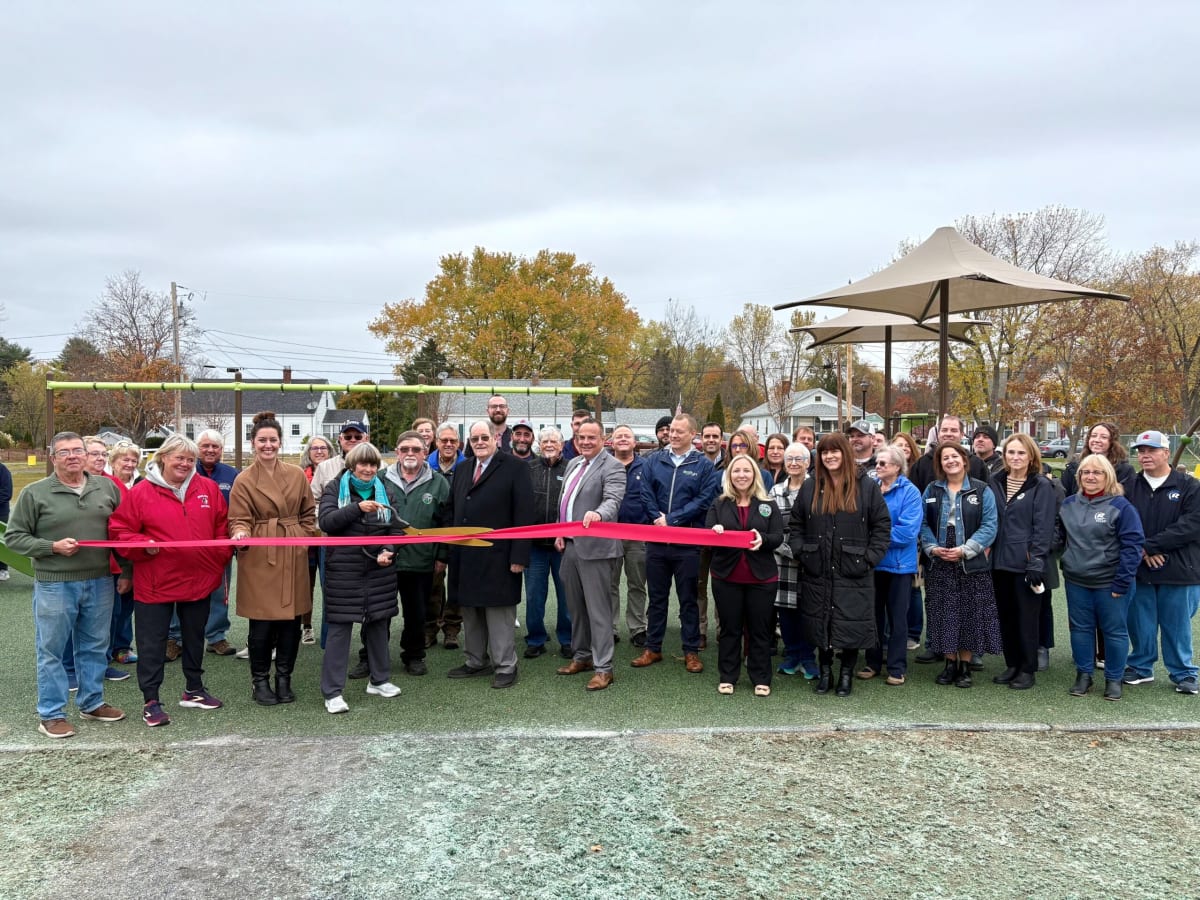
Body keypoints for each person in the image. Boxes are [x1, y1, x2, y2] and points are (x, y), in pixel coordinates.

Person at [6, 432, 126, 738]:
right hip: (55, 584)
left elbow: (123, 531)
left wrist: (126, 571)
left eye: (77, 450)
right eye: (64, 452)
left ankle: (92, 702)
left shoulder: (107, 487)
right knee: (52, 649)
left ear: (86, 455)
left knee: (95, 645)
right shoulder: (35, 493)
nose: (72, 456)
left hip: (99, 580)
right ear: (53, 458)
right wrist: (51, 547)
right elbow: (14, 537)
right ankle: (52, 713)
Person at [108, 435, 232, 727]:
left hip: (198, 579)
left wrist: (216, 560)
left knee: (194, 637)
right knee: (152, 644)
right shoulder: (141, 492)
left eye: (190, 459)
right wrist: (142, 544)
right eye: (179, 457)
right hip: (155, 582)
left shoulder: (209, 489)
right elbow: (120, 530)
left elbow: (222, 528)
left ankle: (194, 689)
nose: (185, 464)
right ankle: (150, 700)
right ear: (163, 457)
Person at [789, 432, 890, 697]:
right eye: (824, 452)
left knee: (850, 622)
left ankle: (846, 674)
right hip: (817, 568)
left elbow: (881, 526)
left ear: (845, 453)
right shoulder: (811, 486)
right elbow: (796, 524)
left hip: (853, 569)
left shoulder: (865, 486)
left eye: (835, 451)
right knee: (821, 620)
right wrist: (802, 552)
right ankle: (825, 672)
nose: (830, 456)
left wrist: (869, 559)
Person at [229, 412, 317, 706]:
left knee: (291, 622)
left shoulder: (295, 475)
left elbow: (308, 513)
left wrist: (302, 539)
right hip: (260, 555)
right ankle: (260, 681)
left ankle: (284, 678)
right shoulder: (244, 479)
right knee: (262, 624)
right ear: (253, 443)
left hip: (292, 550)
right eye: (262, 440)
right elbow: (238, 519)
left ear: (280, 442)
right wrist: (242, 533)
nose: (268, 445)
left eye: (273, 440)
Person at [318, 441, 405, 713]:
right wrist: (358, 508)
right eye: (363, 464)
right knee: (340, 630)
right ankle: (332, 692)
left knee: (379, 625)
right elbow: (327, 522)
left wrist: (388, 551)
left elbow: (397, 529)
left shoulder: (386, 491)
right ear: (351, 465)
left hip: (378, 572)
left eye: (372, 465)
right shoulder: (335, 487)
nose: (368, 469)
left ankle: (379, 680)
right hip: (344, 572)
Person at [446, 421, 533, 689]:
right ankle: (475, 661)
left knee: (499, 613)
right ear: (469, 442)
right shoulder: (462, 468)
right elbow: (452, 508)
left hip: (500, 555)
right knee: (470, 611)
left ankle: (506, 665)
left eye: (484, 437)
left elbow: (524, 513)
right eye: (474, 439)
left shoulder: (515, 468)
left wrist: (519, 555)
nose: (480, 442)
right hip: (465, 556)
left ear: (496, 438)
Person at [633, 414, 719, 674]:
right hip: (657, 542)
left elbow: (704, 499)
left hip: (687, 543)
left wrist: (673, 519)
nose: (674, 434)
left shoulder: (703, 465)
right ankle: (653, 647)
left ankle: (691, 651)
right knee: (657, 598)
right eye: (672, 430)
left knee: (688, 599)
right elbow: (645, 492)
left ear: (693, 435)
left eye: (680, 431)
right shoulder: (653, 460)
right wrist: (658, 518)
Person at [1058, 454, 1144, 701]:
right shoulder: (1069, 504)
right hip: (1077, 580)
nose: (1091, 477)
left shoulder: (1121, 507)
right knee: (1080, 629)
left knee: (1114, 631)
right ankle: (1083, 675)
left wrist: (1122, 581)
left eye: (1097, 472)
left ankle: (1114, 678)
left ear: (1109, 477)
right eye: (1086, 472)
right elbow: (1060, 537)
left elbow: (1133, 546)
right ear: (1079, 477)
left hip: (1110, 582)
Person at [1123, 430, 1200, 695]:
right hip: (1140, 567)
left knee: (1177, 625)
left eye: (1151, 451)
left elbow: (1191, 525)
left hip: (1178, 569)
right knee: (1140, 622)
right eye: (1141, 451)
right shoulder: (1129, 486)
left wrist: (1149, 546)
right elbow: (1122, 523)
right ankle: (1141, 667)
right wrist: (1142, 550)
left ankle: (1184, 673)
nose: (1145, 456)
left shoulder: (1189, 486)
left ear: (1166, 453)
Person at [919, 442, 1001, 689]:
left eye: (954, 456)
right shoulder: (932, 489)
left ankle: (965, 666)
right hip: (939, 558)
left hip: (970, 561)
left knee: (969, 613)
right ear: (940, 463)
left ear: (964, 460)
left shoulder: (981, 490)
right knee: (944, 611)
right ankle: (949, 663)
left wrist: (965, 550)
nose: (950, 461)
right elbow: (921, 523)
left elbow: (990, 526)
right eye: (945, 458)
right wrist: (932, 548)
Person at [910, 415, 990, 666]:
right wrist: (931, 547)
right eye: (944, 429)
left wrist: (971, 548)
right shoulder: (923, 467)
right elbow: (918, 512)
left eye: (953, 430)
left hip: (969, 548)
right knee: (938, 602)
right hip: (936, 547)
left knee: (970, 606)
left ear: (961, 434)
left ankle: (969, 656)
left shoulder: (977, 467)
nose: (948, 433)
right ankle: (937, 646)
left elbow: (989, 516)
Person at [554, 418, 626, 691]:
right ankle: (582, 656)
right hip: (570, 546)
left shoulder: (614, 467)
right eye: (581, 437)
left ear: (603, 439)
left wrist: (599, 514)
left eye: (591, 438)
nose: (585, 441)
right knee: (576, 608)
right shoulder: (573, 464)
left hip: (597, 548)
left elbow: (613, 500)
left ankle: (603, 668)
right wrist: (560, 532)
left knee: (598, 611)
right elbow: (565, 502)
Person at [708, 456, 784, 696]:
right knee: (730, 630)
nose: (742, 475)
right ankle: (728, 676)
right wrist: (716, 532)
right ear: (729, 475)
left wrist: (763, 539)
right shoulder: (719, 504)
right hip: (726, 577)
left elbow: (778, 537)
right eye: (736, 471)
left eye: (747, 471)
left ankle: (761, 677)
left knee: (760, 630)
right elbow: (708, 536)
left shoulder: (768, 504)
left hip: (761, 578)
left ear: (755, 475)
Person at [988, 434, 1057, 690]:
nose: (1015, 458)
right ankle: (1013, 664)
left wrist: (1036, 561)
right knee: (1005, 617)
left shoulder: (1041, 486)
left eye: (1021, 453)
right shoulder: (994, 482)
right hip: (998, 562)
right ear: (1004, 455)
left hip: (1026, 564)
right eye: (1011, 453)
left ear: (1031, 457)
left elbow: (1044, 527)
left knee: (1027, 619)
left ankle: (1028, 669)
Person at [384, 430, 451, 677]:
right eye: (404, 449)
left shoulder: (438, 482)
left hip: (421, 560)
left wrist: (442, 556)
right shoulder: (381, 479)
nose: (410, 454)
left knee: (416, 613)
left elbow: (446, 523)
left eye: (416, 449)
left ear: (426, 452)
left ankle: (413, 655)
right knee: (379, 613)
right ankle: (371, 656)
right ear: (397, 452)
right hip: (385, 559)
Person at [171, 429, 241, 659]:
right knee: (179, 590)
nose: (210, 450)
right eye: (205, 446)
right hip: (185, 546)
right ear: (197, 448)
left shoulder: (232, 475)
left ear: (221, 450)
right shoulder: (184, 471)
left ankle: (216, 636)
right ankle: (175, 639)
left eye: (215, 446)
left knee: (219, 591)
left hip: (219, 545)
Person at [862, 445, 922, 686]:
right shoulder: (870, 489)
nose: (877, 467)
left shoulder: (910, 492)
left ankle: (897, 667)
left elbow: (907, 532)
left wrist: (875, 538)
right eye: (877, 463)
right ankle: (872, 662)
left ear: (897, 466)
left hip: (899, 566)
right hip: (873, 565)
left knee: (898, 619)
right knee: (873, 617)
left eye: (883, 463)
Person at [524, 426, 572, 658]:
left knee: (566, 596)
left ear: (562, 445)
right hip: (534, 547)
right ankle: (535, 639)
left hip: (562, 547)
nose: (549, 445)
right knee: (534, 596)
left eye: (554, 441)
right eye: (545, 441)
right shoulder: (528, 468)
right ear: (539, 445)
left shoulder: (572, 468)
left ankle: (568, 638)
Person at [771, 443, 816, 679]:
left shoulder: (819, 489)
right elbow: (768, 526)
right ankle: (792, 654)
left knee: (810, 610)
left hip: (812, 560)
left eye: (799, 459)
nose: (794, 463)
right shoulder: (775, 492)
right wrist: (786, 549)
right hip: (783, 559)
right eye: (790, 459)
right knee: (786, 611)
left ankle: (808, 657)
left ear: (808, 462)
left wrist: (805, 552)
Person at [607, 424, 650, 646]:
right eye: (618, 436)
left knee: (636, 584)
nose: (623, 439)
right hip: (609, 535)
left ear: (635, 443)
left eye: (627, 436)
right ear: (611, 442)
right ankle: (610, 627)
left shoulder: (647, 466)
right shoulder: (604, 466)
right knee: (610, 584)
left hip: (637, 535)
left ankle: (637, 628)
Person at [426, 423, 465, 649]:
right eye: (444, 441)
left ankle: (452, 628)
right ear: (437, 442)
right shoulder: (426, 466)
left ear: (458, 443)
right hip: (433, 532)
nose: (448, 444)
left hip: (459, 532)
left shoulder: (467, 466)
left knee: (457, 584)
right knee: (433, 583)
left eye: (453, 441)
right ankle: (430, 627)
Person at [105, 442, 141, 667]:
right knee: (112, 608)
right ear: (113, 461)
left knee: (127, 606)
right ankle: (106, 651)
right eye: (124, 460)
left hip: (136, 556)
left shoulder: (142, 484)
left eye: (133, 460)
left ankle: (122, 646)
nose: (129, 464)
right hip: (113, 557)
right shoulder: (106, 485)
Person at [298, 435, 335, 646]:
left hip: (327, 536)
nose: (319, 451)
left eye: (323, 448)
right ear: (308, 452)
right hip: (306, 538)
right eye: (315, 448)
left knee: (329, 583)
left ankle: (330, 633)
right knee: (305, 584)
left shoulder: (335, 471)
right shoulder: (300, 475)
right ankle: (306, 626)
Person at [891, 431, 926, 651]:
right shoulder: (883, 477)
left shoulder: (918, 473)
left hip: (914, 538)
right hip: (890, 544)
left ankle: (913, 631)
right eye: (897, 445)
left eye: (906, 445)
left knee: (914, 586)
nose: (903, 448)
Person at [1060, 423, 1135, 497]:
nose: (1097, 440)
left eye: (1103, 437)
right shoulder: (1073, 468)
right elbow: (1063, 497)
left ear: (1112, 442)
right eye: (1093, 436)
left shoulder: (1124, 471)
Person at [0, 456, 11, 581]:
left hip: (1, 512)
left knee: (2, 543)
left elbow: (6, 493)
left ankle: (3, 569)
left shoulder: (3, 470)